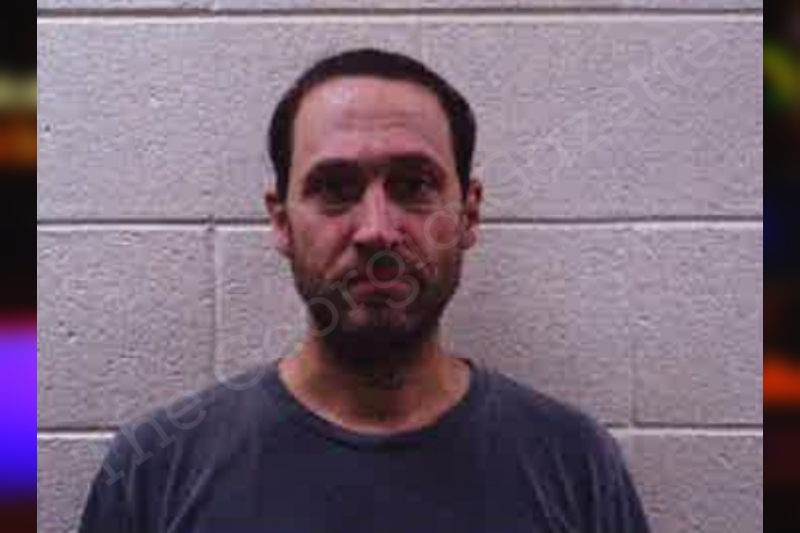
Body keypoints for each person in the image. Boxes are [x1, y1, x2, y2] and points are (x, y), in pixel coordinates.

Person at [79, 48, 651, 533]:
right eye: (334, 188)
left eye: (414, 185)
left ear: (468, 214)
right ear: (281, 221)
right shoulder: (157, 473)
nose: (376, 229)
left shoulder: (576, 467)